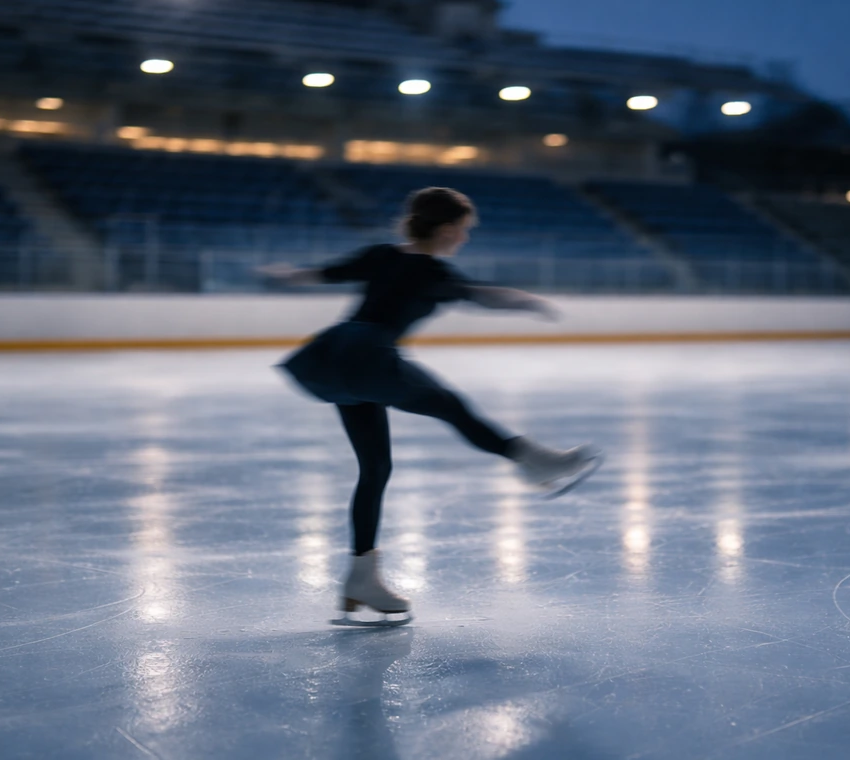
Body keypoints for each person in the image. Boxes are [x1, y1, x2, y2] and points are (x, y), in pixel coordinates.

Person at [256, 187, 603, 622]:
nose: (465, 238)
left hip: (333, 356)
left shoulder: (383, 255)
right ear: (444, 230)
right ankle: (535, 461)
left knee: (376, 467)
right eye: (463, 230)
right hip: (370, 355)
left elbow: (326, 273)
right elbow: (481, 295)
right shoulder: (432, 273)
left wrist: (289, 275)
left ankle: (361, 576)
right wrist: (527, 300)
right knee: (452, 408)